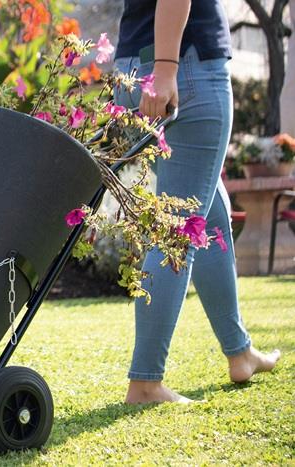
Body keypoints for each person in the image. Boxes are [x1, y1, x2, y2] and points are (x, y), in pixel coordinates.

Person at [112, 0, 281, 404]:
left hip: (133, 71)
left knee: (209, 220)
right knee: (177, 233)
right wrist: (166, 69)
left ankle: (240, 352)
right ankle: (146, 384)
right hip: (183, 69)